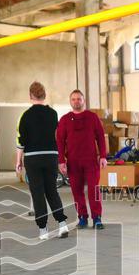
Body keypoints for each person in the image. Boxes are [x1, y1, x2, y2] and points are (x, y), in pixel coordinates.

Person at [16, 81, 69, 240]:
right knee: (52, 190)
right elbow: (57, 137)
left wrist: (18, 161)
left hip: (33, 158)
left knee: (38, 193)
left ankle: (43, 230)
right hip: (51, 156)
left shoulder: (25, 116)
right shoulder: (53, 114)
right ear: (44, 95)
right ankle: (62, 224)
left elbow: (21, 141)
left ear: (30, 96)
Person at [57, 89, 108, 229]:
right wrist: (61, 160)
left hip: (91, 161)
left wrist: (103, 156)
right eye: (73, 99)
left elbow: (101, 137)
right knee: (76, 191)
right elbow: (60, 141)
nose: (76, 101)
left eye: (79, 99)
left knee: (94, 190)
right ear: (70, 101)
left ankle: (97, 218)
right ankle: (82, 218)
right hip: (73, 162)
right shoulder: (65, 120)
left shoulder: (92, 117)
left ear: (83, 101)